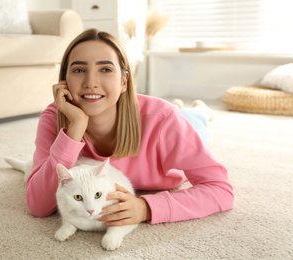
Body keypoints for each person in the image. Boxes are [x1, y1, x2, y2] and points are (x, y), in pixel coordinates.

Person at [26, 28, 234, 225]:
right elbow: (38, 206)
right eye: (79, 70)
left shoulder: (164, 118)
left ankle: (201, 111)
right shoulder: (53, 117)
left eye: (106, 69)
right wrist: (75, 128)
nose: (91, 82)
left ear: (124, 81)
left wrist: (146, 208)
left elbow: (220, 189)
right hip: (160, 117)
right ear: (64, 81)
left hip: (183, 124)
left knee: (194, 118)